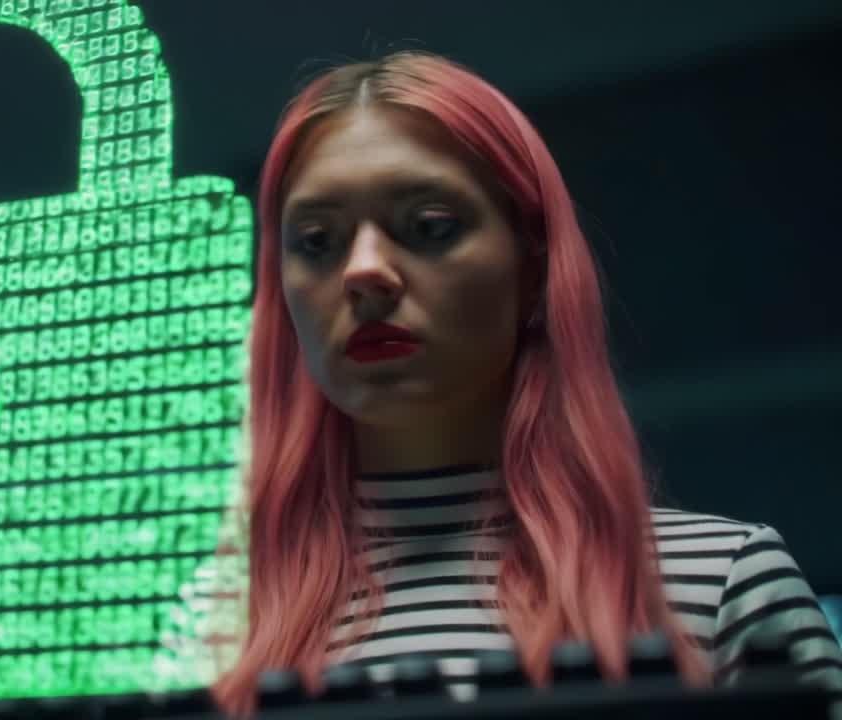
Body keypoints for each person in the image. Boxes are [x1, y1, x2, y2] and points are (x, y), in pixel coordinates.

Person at [147, 51, 842, 718]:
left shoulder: (725, 585)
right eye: (316, 241)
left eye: (429, 226)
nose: (363, 270)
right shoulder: (212, 627)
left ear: (533, 270)